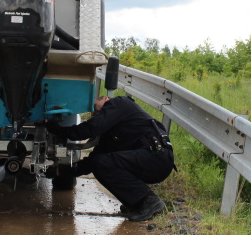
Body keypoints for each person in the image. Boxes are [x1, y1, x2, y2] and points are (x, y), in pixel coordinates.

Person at [45, 95, 176, 222]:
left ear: (106, 99)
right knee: (100, 163)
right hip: (150, 160)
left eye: (95, 108)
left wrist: (58, 130)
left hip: (157, 157)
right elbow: (92, 163)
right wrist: (60, 171)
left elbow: (90, 129)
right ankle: (136, 203)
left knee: (104, 163)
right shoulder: (111, 133)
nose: (94, 114)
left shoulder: (119, 103)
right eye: (92, 112)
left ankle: (150, 201)